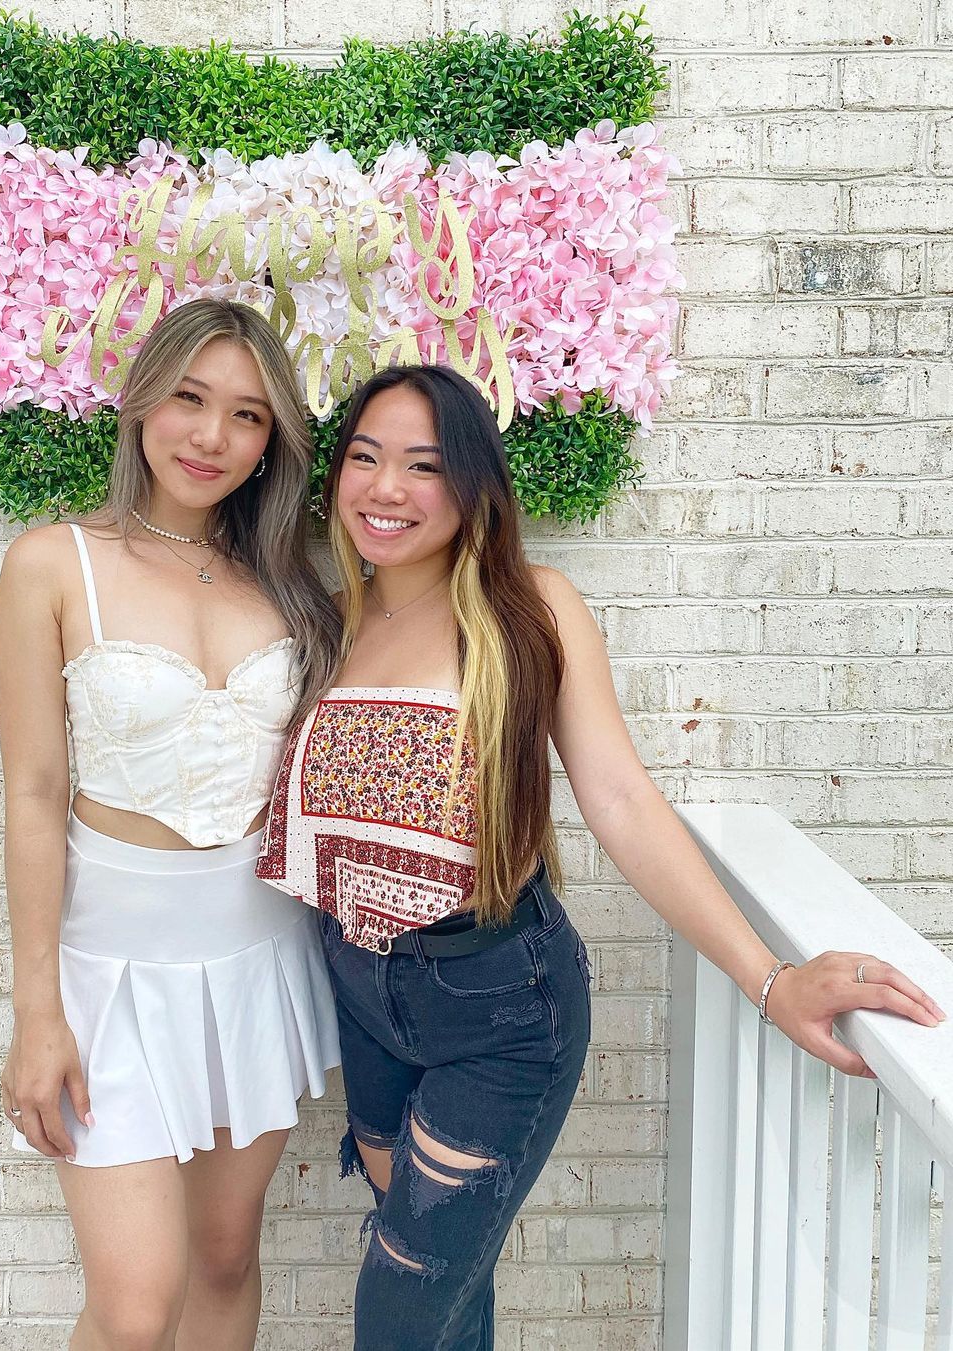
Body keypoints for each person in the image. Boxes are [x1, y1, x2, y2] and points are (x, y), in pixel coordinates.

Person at [256, 363, 946, 1350]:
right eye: (365, 457)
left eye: (425, 464)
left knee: (399, 1311)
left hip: (496, 1005)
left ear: (473, 484)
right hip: (362, 993)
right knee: (451, 1291)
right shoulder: (335, 620)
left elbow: (619, 797)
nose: (386, 488)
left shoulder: (529, 608)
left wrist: (770, 979)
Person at [0, 298, 343, 1351]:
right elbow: (34, 792)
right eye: (190, 398)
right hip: (109, 978)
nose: (211, 436)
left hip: (258, 958)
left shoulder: (292, 582)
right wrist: (37, 1011)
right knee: (138, 1305)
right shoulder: (54, 563)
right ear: (142, 398)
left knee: (224, 1256)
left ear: (272, 440)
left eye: (247, 415)